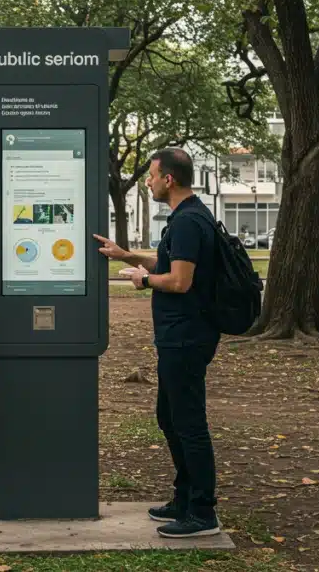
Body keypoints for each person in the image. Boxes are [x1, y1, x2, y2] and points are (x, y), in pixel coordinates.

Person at [94, 148, 221, 538]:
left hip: (186, 338)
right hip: (177, 338)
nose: (147, 182)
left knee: (188, 422)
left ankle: (202, 513)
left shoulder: (187, 221)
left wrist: (143, 280)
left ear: (169, 179)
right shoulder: (188, 217)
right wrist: (127, 255)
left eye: (151, 176)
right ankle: (184, 497)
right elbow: (169, 264)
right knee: (169, 418)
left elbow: (180, 281)